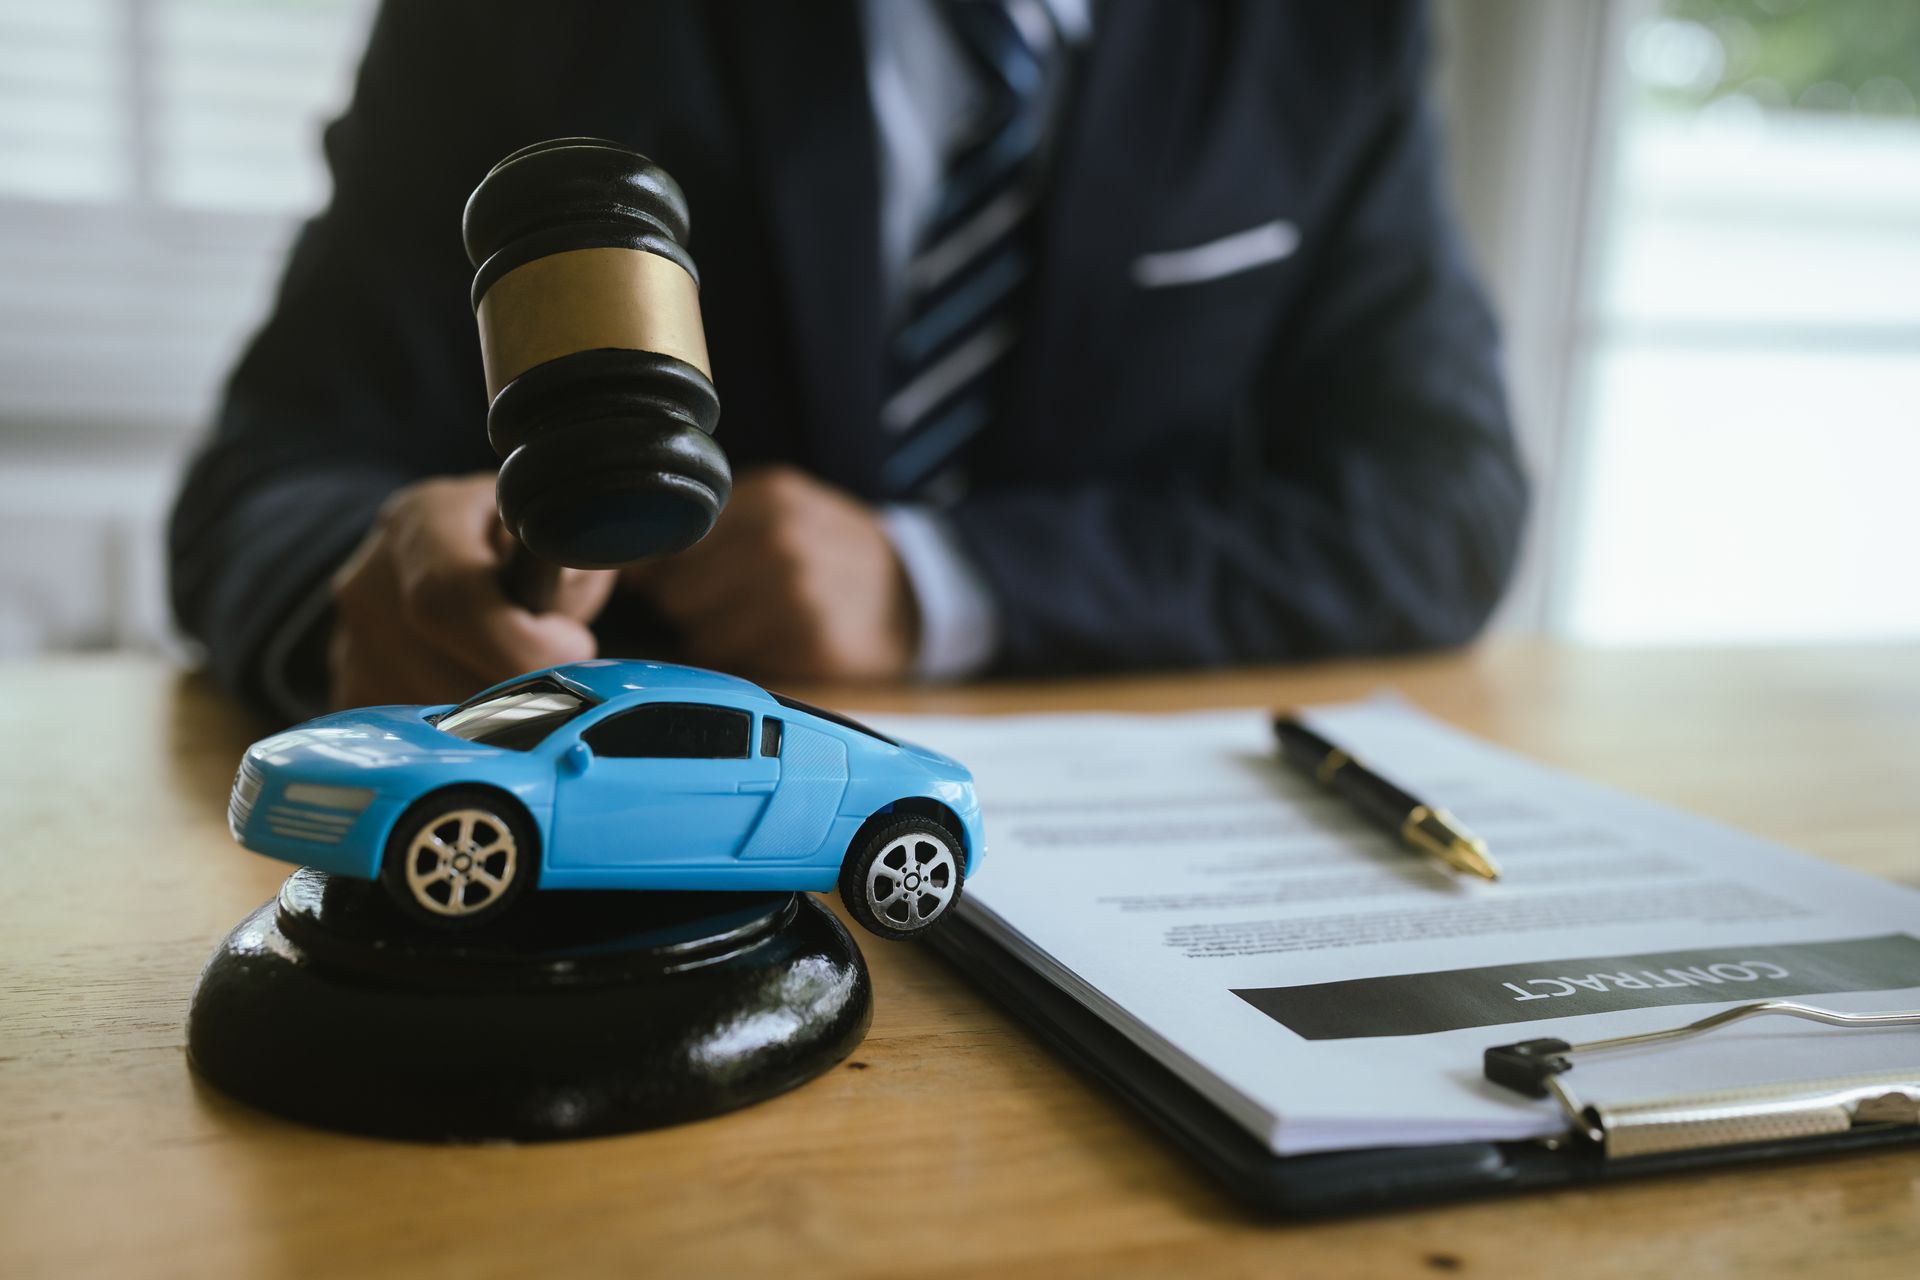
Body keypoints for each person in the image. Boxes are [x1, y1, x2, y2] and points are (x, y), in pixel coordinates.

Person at [169, 0, 1527, 721]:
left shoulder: (1333, 29)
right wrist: (381, 586)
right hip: (617, 854)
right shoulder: (521, 19)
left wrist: (944, 583)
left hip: (1142, 871)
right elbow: (264, 483)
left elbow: (1439, 511)